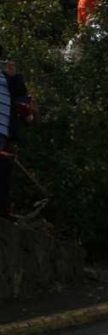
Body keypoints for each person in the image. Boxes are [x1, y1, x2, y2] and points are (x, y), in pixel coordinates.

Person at [0, 52, 31, 220]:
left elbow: (21, 93)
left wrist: (13, 75)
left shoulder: (6, 77)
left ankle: (3, 210)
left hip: (3, 129)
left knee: (4, 167)